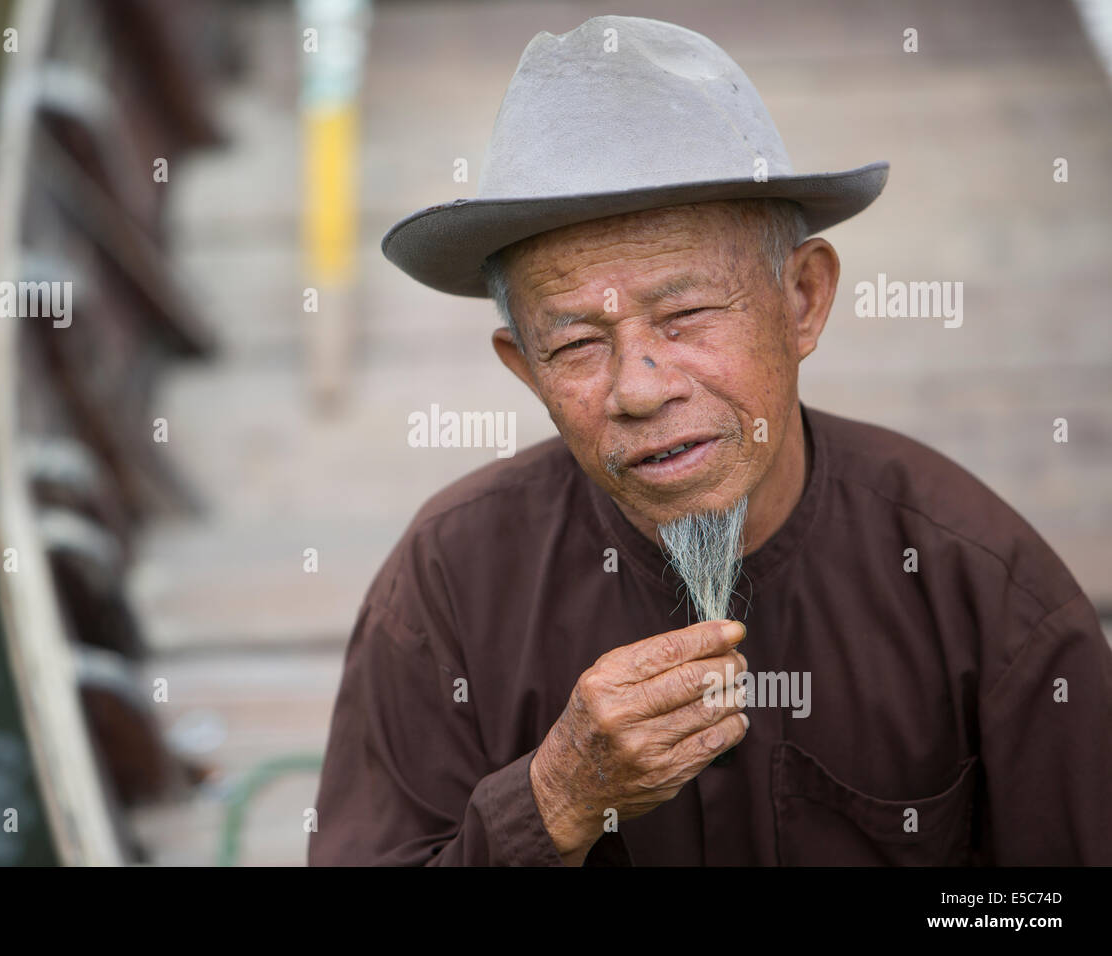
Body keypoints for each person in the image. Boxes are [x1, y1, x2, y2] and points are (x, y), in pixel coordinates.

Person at [308, 15, 1112, 866]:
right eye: (577, 343)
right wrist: (551, 802)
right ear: (525, 368)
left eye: (685, 315)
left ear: (802, 299)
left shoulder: (981, 583)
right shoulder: (448, 584)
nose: (641, 388)